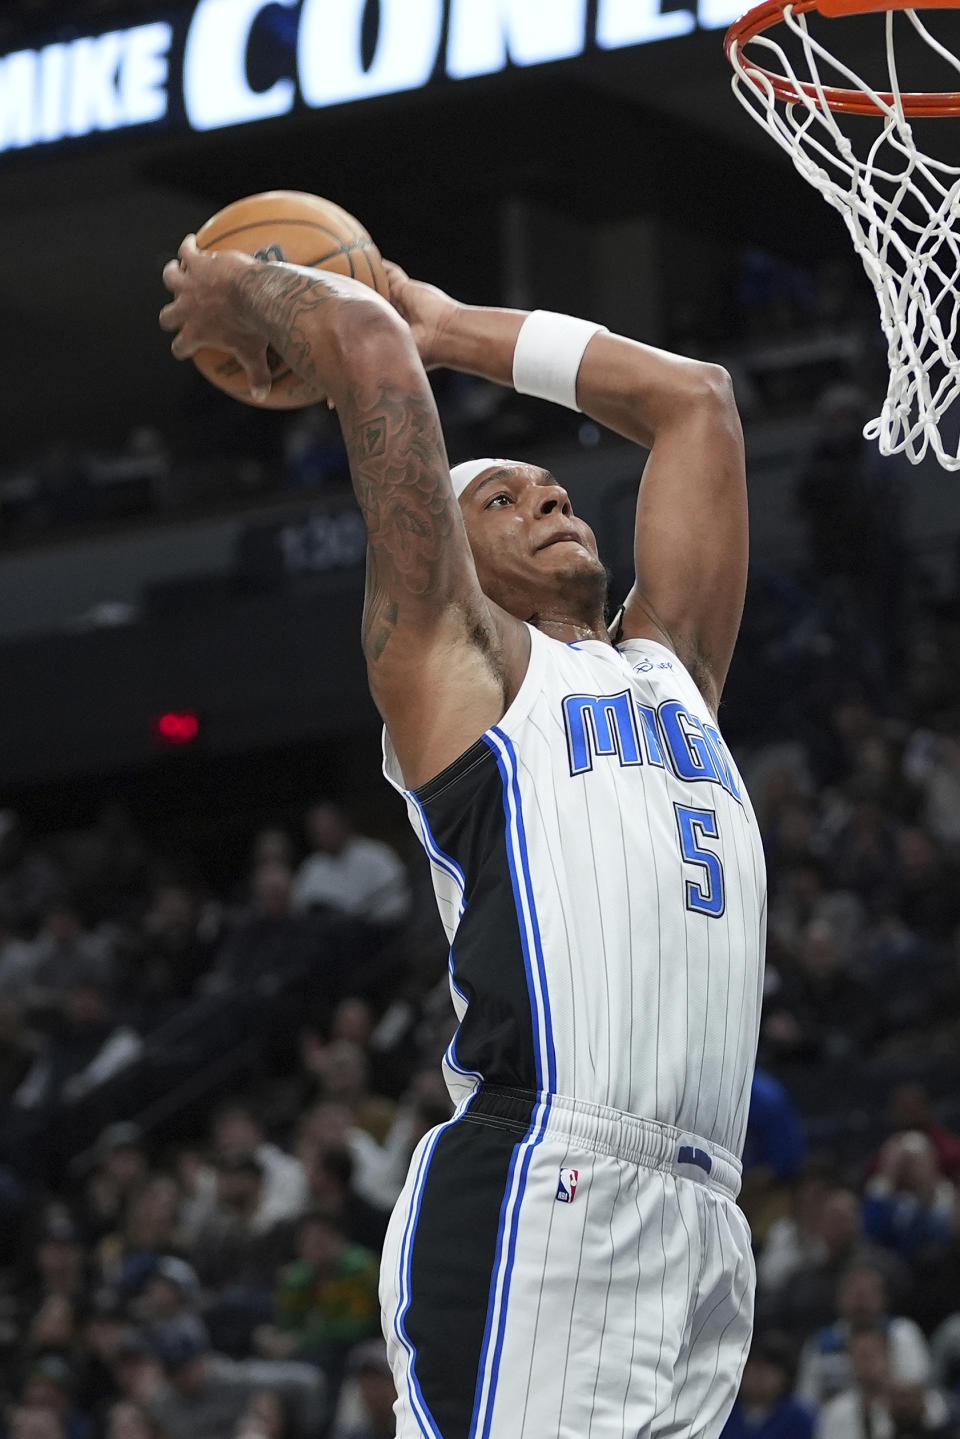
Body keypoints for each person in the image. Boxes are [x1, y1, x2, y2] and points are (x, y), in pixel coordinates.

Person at [161, 231, 765, 1436]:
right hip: (546, 1185)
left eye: (552, 486)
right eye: (501, 494)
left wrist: (450, 321)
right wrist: (259, 291)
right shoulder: (465, 669)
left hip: (704, 1216)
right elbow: (367, 348)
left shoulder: (671, 673)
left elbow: (696, 402)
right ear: (452, 568)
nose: (547, 493)